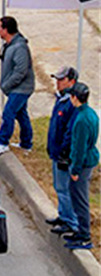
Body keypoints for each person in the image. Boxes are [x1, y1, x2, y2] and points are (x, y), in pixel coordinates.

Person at [47, 67, 80, 238]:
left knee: (65, 189)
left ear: (71, 81)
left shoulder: (71, 103)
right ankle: (63, 215)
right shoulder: (61, 99)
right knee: (58, 187)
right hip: (56, 151)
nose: (57, 82)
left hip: (63, 154)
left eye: (61, 79)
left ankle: (71, 222)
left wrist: (64, 153)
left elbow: (70, 131)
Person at [63, 83, 98, 251]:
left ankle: (84, 236)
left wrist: (75, 170)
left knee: (80, 199)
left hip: (82, 165)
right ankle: (81, 232)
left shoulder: (81, 120)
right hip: (90, 159)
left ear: (75, 98)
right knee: (79, 197)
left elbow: (79, 148)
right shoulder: (90, 113)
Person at [0, 16, 33, 155]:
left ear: (6, 30)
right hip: (15, 87)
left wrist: (6, 85)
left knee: (9, 112)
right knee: (21, 115)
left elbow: (21, 70)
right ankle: (26, 143)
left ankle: (2, 142)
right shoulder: (9, 45)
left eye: (0, 27)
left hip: (21, 88)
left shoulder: (19, 47)